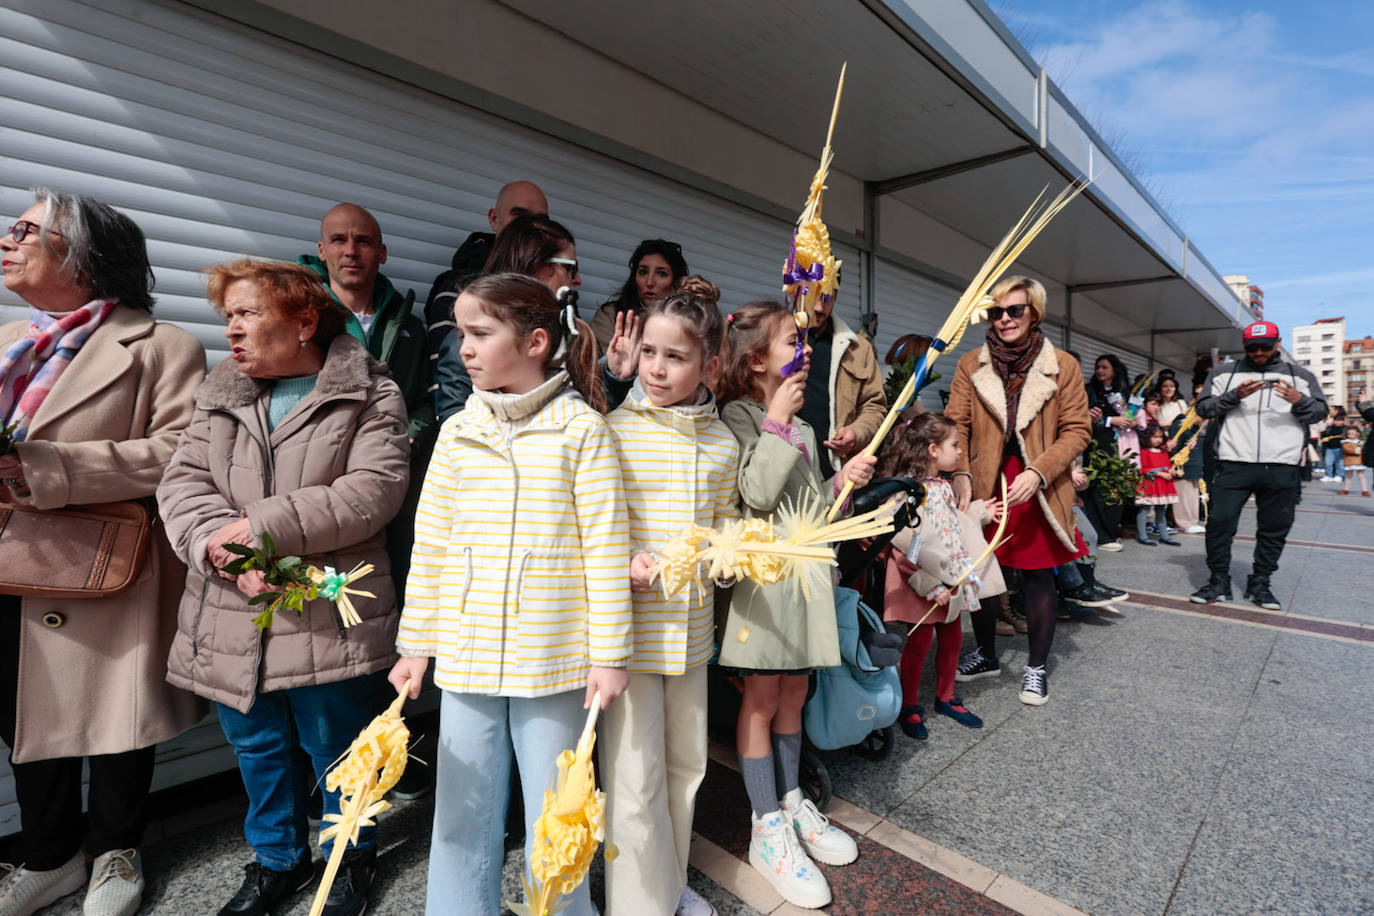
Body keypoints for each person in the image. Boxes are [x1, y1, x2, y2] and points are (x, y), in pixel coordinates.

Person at [158, 259, 410, 916]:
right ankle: (277, 860)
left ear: (303, 321)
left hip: (325, 610)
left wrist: (255, 527)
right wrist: (218, 545)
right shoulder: (219, 395)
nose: (232, 330)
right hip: (229, 606)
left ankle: (348, 858)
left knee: (337, 747)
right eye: (228, 317)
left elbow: (373, 490)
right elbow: (181, 484)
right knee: (257, 747)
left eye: (246, 314)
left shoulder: (369, 393)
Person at [389, 273, 630, 916]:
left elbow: (606, 550)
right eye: (461, 333)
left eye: (479, 332)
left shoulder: (582, 431)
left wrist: (609, 656)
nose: (463, 347)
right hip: (466, 654)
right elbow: (431, 546)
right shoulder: (460, 432)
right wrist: (416, 644)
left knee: (558, 810)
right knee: (462, 807)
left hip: (553, 658)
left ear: (535, 342)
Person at [0, 190, 205, 916]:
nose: (10, 238)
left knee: (118, 713)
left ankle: (117, 849)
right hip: (8, 556)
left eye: (28, 229)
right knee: (25, 711)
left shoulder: (160, 344)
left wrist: (51, 467)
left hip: (100, 559)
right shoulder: (7, 338)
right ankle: (50, 855)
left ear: (80, 256)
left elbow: (182, 451)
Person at [716, 300, 875, 909]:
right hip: (764, 583)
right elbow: (754, 493)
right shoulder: (740, 416)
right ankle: (765, 824)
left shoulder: (807, 428)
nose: (805, 352)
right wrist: (777, 423)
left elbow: (808, 507)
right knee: (760, 698)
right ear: (757, 361)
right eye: (792, 343)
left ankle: (790, 801)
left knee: (793, 693)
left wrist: (844, 481)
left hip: (804, 580)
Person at [601, 278, 736, 916]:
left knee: (687, 766)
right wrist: (619, 560)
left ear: (708, 364)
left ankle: (670, 880)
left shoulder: (722, 443)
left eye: (675, 357)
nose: (657, 367)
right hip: (627, 634)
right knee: (632, 776)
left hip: (693, 632)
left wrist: (735, 555)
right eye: (649, 352)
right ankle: (637, 904)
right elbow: (589, 524)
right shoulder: (612, 430)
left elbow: (727, 521)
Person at [946, 276, 1091, 706]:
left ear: (1035, 314)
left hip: (1038, 484)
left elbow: (1078, 430)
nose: (1005, 319)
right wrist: (962, 476)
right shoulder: (971, 364)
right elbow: (958, 422)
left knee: (1038, 574)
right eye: (997, 311)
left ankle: (1036, 667)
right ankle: (988, 654)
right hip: (984, 478)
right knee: (983, 572)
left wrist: (1039, 472)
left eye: (1015, 310)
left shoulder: (1061, 365)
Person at [298, 203, 435, 587]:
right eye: (338, 240)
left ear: (382, 252)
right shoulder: (300, 316)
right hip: (316, 484)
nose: (351, 251)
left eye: (363, 241)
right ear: (322, 250)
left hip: (391, 486)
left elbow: (424, 398)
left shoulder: (409, 325)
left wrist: (408, 434)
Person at [879, 411, 1005, 741]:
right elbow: (902, 545)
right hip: (921, 584)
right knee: (918, 645)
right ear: (933, 450)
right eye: (954, 445)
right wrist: (930, 584)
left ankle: (946, 697)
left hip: (951, 582)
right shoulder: (908, 491)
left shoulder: (944, 488)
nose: (960, 451)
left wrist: (978, 515)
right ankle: (909, 705)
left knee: (953, 639)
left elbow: (951, 529)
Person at [1190, 320, 1327, 609]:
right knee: (1219, 523)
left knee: (1275, 527)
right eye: (1253, 347)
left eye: (1266, 346)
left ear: (1278, 343)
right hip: (1233, 461)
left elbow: (1319, 412)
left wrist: (1299, 400)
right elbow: (1203, 408)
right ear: (1244, 347)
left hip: (1281, 464)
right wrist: (1234, 396)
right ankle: (1218, 580)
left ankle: (1261, 582)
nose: (1260, 352)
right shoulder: (1224, 373)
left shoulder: (1299, 375)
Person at [425, 181, 550, 419]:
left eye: (540, 220)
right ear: (494, 219)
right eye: (519, 215)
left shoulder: (550, 295)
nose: (530, 228)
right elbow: (444, 389)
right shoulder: (458, 290)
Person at [794, 277, 887, 478]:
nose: (819, 307)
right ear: (794, 290)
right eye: (813, 296)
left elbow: (874, 406)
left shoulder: (858, 348)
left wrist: (856, 433)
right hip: (783, 471)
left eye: (827, 297)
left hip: (836, 475)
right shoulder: (769, 339)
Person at [589, 238, 689, 353]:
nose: (650, 282)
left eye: (662, 273)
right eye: (643, 272)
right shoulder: (611, 315)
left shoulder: (688, 323)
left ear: (677, 281)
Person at [1082, 354, 1134, 551]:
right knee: (1097, 491)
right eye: (1098, 367)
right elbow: (1083, 417)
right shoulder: (1090, 391)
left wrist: (1131, 419)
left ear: (1114, 369)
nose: (1100, 371)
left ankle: (1112, 531)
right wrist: (1110, 421)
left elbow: (1130, 416)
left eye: (1105, 367)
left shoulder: (1125, 392)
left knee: (1117, 491)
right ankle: (1101, 535)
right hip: (1097, 447)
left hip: (1120, 447)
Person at [1135, 424, 1181, 546]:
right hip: (1150, 484)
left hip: (1163, 484)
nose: (1158, 439)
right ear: (1147, 437)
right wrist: (1160, 473)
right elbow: (1143, 469)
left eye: (1160, 437)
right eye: (1155, 437)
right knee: (1144, 509)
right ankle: (1143, 536)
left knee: (1161, 511)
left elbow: (1167, 465)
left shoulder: (1163, 451)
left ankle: (1164, 536)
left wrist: (1173, 471)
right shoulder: (1144, 452)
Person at [1169, 388, 1207, 533]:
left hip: (1196, 464)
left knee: (1192, 496)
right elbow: (1175, 446)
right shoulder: (1181, 422)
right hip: (1183, 465)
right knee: (1183, 495)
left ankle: (1192, 521)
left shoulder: (1198, 426)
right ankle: (1183, 522)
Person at [1319, 407, 1347, 483]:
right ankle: (1328, 475)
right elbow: (1324, 434)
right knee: (1328, 462)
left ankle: (1339, 475)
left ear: (1343, 421)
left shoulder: (1345, 429)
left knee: (1339, 463)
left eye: (1339, 421)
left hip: (1340, 448)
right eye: (1336, 420)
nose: (1337, 422)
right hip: (1329, 448)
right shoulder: (1329, 427)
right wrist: (1324, 438)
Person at [1339, 426, 1369, 496]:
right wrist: (1357, 450)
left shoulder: (1360, 442)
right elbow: (1347, 449)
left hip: (1359, 461)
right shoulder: (1346, 442)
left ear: (1357, 434)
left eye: (1353, 434)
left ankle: (1365, 490)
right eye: (1349, 434)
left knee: (1361, 476)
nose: (1351, 435)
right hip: (1350, 461)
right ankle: (1346, 489)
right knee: (1349, 476)